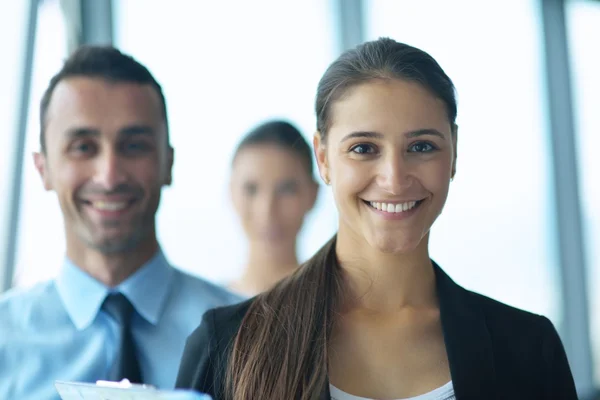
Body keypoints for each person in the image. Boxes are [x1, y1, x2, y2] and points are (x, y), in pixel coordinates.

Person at [175, 37, 578, 399]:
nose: (394, 179)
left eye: (421, 146)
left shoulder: (527, 349)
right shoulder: (228, 346)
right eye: (364, 148)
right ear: (323, 158)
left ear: (453, 151)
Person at [0, 46, 241, 400]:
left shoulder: (247, 333)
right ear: (43, 168)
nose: (109, 175)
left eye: (134, 146)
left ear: (168, 163)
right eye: (83, 147)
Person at [227, 120, 318, 297]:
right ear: (231, 193)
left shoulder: (340, 306)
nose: (267, 211)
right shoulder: (206, 310)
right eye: (251, 189)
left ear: (313, 194)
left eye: (286, 190)